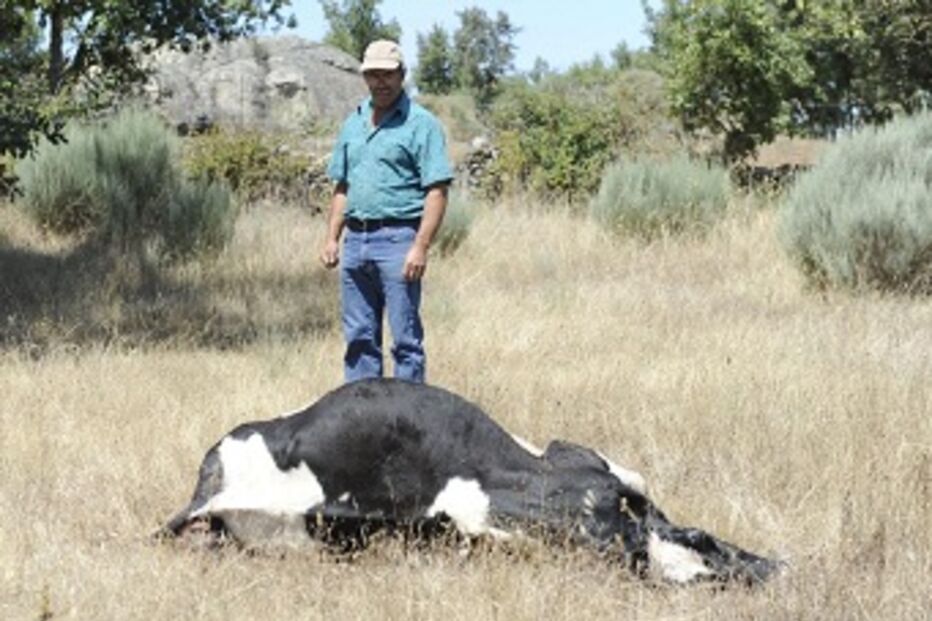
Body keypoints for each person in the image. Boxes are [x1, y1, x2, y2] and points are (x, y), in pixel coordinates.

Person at [320, 39, 454, 384]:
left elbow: (437, 190)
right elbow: (342, 186)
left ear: (401, 75)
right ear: (365, 77)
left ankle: (408, 415)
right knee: (359, 339)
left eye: (387, 74)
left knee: (405, 341)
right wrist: (332, 238)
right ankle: (363, 412)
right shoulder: (353, 122)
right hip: (355, 241)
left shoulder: (421, 124)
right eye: (373, 74)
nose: (380, 82)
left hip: (398, 241)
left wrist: (420, 246)